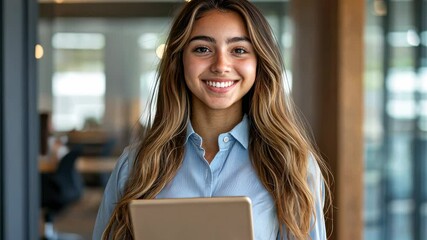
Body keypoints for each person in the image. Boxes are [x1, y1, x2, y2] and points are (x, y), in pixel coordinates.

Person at [93, 0, 330, 239]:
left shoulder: (293, 166)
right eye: (202, 49)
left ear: (259, 62)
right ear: (180, 59)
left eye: (238, 50)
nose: (221, 65)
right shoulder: (134, 166)